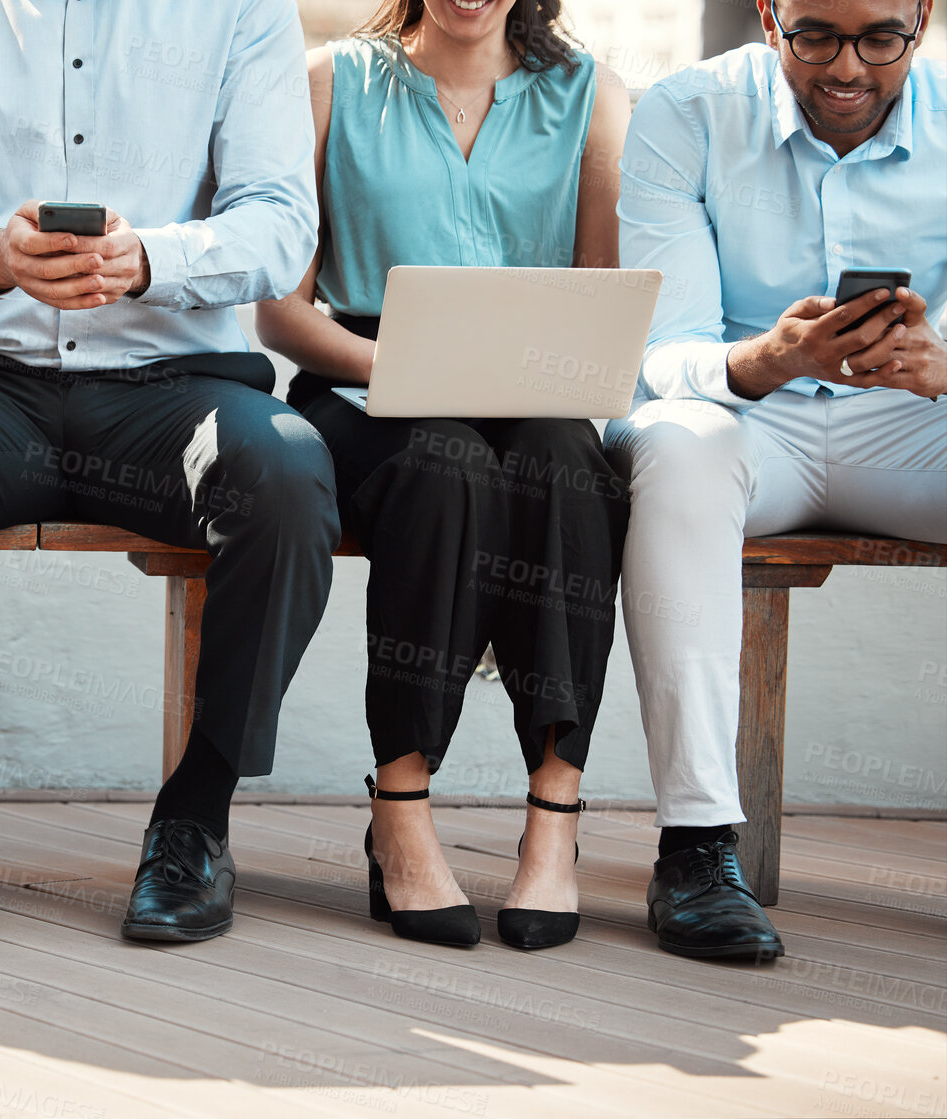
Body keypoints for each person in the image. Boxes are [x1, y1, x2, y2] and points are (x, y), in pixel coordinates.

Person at [0, 0, 337, 943]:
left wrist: (152, 259)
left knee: (289, 471)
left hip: (169, 389)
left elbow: (279, 228)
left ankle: (197, 815)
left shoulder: (243, 13)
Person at [256, 0, 631, 950]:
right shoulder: (330, 82)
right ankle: (401, 808)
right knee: (445, 464)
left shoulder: (590, 95)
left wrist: (531, 375)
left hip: (532, 378)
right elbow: (281, 312)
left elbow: (601, 293)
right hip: (367, 372)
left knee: (568, 467)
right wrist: (408, 367)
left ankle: (554, 819)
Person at [607, 0, 945, 960]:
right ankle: (698, 844)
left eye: (880, 39)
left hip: (912, 428)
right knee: (674, 446)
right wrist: (769, 359)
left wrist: (940, 360)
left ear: (920, 18)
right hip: (755, 421)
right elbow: (666, 349)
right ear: (766, 16)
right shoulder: (685, 110)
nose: (847, 69)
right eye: (814, 38)